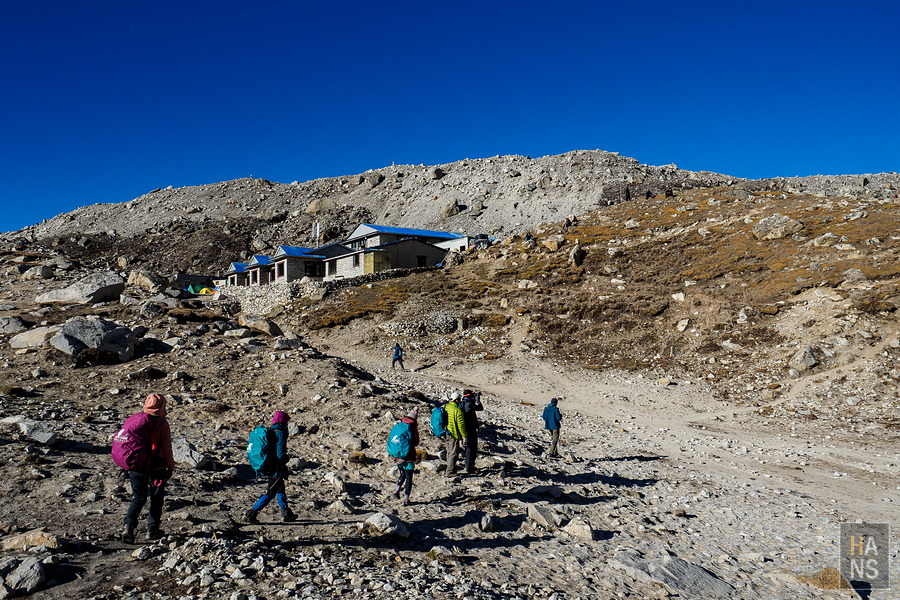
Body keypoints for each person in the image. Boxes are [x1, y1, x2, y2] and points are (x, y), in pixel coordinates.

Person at [119, 393, 175, 543]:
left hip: (135, 466)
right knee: (157, 499)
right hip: (156, 468)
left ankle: (128, 527)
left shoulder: (136, 420)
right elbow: (166, 448)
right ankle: (152, 530)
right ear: (162, 406)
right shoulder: (162, 423)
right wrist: (170, 466)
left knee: (138, 498)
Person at [245, 411, 296, 523]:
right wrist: (285, 459)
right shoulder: (280, 432)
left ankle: (286, 513)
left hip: (270, 466)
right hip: (275, 469)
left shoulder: (271, 430)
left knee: (280, 488)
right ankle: (251, 514)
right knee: (270, 493)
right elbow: (280, 453)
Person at [392, 408, 420, 506]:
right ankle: (406, 499)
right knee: (409, 477)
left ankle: (396, 491)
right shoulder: (413, 427)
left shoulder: (400, 425)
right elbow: (416, 442)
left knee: (402, 473)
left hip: (398, 456)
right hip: (409, 456)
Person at [461, 390, 483, 474]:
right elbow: (480, 408)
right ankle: (469, 467)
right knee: (471, 448)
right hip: (469, 429)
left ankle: (470, 465)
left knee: (471, 448)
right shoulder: (468, 404)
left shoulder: (466, 402)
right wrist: (477, 400)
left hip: (470, 428)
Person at [444, 392, 466, 476]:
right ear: (456, 400)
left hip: (447, 433)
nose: (460, 401)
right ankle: (449, 471)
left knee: (449, 452)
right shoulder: (457, 410)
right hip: (454, 434)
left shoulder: (446, 407)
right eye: (459, 399)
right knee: (454, 453)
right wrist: (464, 436)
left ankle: (450, 468)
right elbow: (461, 426)